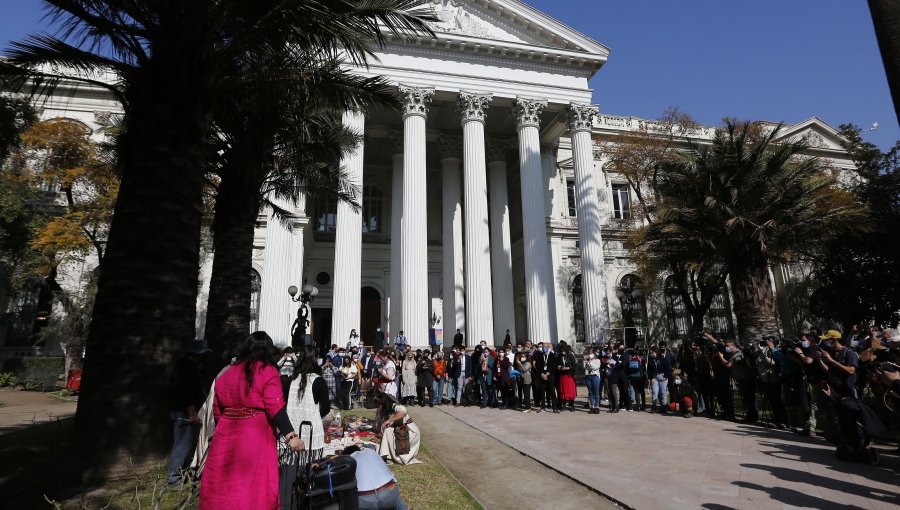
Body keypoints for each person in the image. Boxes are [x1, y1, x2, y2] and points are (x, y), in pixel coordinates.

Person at [199, 332, 304, 510]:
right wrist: (291, 435)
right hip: (254, 437)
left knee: (223, 489)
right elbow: (274, 406)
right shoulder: (267, 371)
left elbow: (218, 411)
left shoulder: (226, 373)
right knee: (254, 489)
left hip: (224, 436)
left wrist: (226, 428)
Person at [279, 345, 330, 510]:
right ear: (315, 359)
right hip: (309, 431)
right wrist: (314, 414)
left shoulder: (291, 379)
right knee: (309, 471)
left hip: (291, 430)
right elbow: (326, 407)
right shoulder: (318, 380)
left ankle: (288, 503)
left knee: (290, 471)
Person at [167, 340, 207, 485]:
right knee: (182, 445)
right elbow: (185, 393)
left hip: (185, 411)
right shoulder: (186, 368)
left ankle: (182, 473)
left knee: (187, 444)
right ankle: (174, 479)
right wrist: (192, 414)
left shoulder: (186, 365)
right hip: (184, 412)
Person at [344, 446, 409, 510]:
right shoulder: (371, 451)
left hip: (365, 499)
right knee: (398, 505)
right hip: (389, 489)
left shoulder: (348, 461)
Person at [375, 391, 421, 465]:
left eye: (378, 403)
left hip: (410, 431)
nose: (377, 405)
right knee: (388, 431)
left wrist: (388, 421)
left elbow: (403, 412)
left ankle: (387, 456)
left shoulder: (396, 406)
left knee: (388, 432)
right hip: (401, 430)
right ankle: (386, 455)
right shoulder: (388, 409)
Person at [533, 342, 558, 413]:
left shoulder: (552, 355)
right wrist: (542, 374)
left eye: (545, 347)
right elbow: (538, 366)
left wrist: (547, 374)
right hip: (542, 376)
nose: (544, 348)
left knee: (552, 392)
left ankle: (554, 407)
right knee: (542, 391)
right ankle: (542, 407)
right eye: (543, 347)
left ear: (548, 348)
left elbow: (553, 366)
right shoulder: (540, 356)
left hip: (550, 376)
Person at [647, 346, 671, 414]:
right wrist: (651, 378)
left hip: (662, 376)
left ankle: (664, 407)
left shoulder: (663, 359)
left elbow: (668, 368)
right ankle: (653, 407)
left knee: (663, 392)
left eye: (652, 352)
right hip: (655, 377)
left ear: (656, 352)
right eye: (650, 352)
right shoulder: (651, 360)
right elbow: (649, 370)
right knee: (654, 392)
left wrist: (666, 376)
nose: (650, 354)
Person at [557, 343, 577, 411]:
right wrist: (559, 367)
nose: (562, 351)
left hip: (569, 376)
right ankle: (564, 405)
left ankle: (572, 405)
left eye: (563, 349)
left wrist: (568, 368)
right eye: (561, 350)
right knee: (563, 391)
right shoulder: (559, 356)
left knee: (570, 391)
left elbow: (574, 366)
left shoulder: (570, 356)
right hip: (562, 376)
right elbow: (558, 364)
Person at [584, 350, 602, 414]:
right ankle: (592, 406)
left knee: (596, 392)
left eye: (591, 353)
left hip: (595, 376)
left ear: (594, 354)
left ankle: (597, 407)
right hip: (588, 377)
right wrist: (585, 361)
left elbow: (595, 368)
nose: (590, 354)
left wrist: (590, 362)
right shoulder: (586, 360)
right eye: (589, 353)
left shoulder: (597, 360)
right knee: (591, 392)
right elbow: (584, 367)